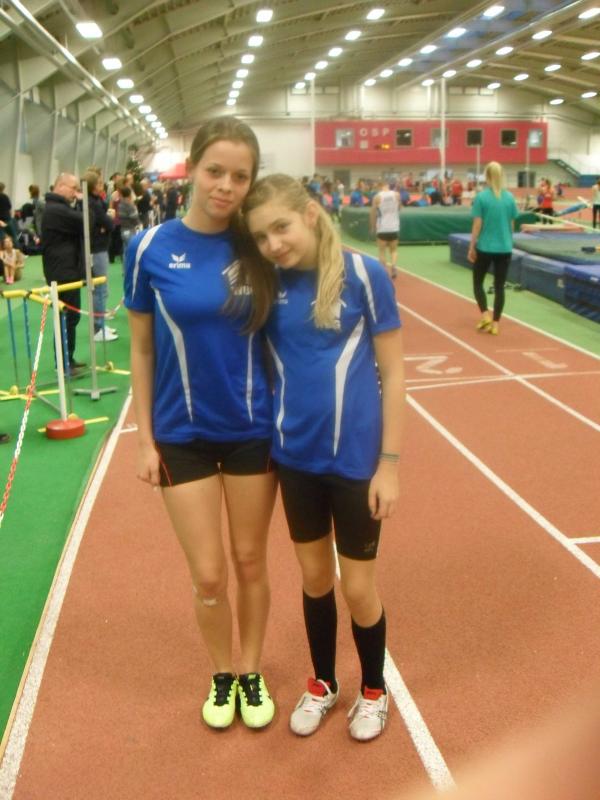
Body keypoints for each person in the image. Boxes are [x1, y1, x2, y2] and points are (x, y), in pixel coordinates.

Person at [124, 116, 278, 732]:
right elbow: (141, 349)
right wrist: (144, 439)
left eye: (240, 177)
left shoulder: (259, 245)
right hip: (180, 435)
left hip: (252, 431)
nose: (226, 187)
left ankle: (251, 671)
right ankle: (221, 673)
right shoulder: (149, 248)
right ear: (192, 169)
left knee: (250, 561)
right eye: (216, 171)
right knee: (209, 574)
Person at [243, 174, 405, 742]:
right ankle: (323, 682)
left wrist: (390, 464)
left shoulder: (364, 275)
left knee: (358, 588)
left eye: (280, 227)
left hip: (356, 463)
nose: (273, 244)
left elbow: (395, 374)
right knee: (315, 579)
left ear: (310, 214)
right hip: (296, 461)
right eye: (260, 237)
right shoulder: (267, 285)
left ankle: (373, 690)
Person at [41, 173, 87, 369]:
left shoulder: (58, 208)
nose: (76, 193)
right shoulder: (56, 210)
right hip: (62, 273)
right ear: (60, 186)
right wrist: (84, 202)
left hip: (65, 270)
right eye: (73, 188)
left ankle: (68, 361)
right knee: (66, 318)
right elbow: (86, 222)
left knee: (69, 317)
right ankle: (63, 364)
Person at [468, 161, 519, 336]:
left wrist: (471, 246)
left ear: (487, 176)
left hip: (485, 247)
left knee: (477, 283)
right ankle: (496, 323)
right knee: (499, 287)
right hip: (504, 248)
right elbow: (512, 225)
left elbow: (477, 225)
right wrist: (507, 240)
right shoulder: (510, 198)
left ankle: (485, 315)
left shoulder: (481, 198)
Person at [84, 170, 118, 343]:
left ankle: (100, 324)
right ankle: (98, 328)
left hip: (100, 248)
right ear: (92, 186)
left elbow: (107, 224)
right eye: (98, 183)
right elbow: (108, 224)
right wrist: (107, 222)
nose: (102, 185)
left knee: (102, 289)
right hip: (96, 250)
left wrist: (107, 223)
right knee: (100, 290)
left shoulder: (97, 201)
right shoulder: (92, 203)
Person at [370, 181, 401, 280]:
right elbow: (400, 208)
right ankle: (394, 265)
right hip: (394, 227)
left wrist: (372, 226)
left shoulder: (377, 197)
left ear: (380, 187)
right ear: (387, 186)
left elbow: (373, 213)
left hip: (382, 228)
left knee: (382, 251)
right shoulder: (396, 195)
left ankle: (384, 271)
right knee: (394, 250)